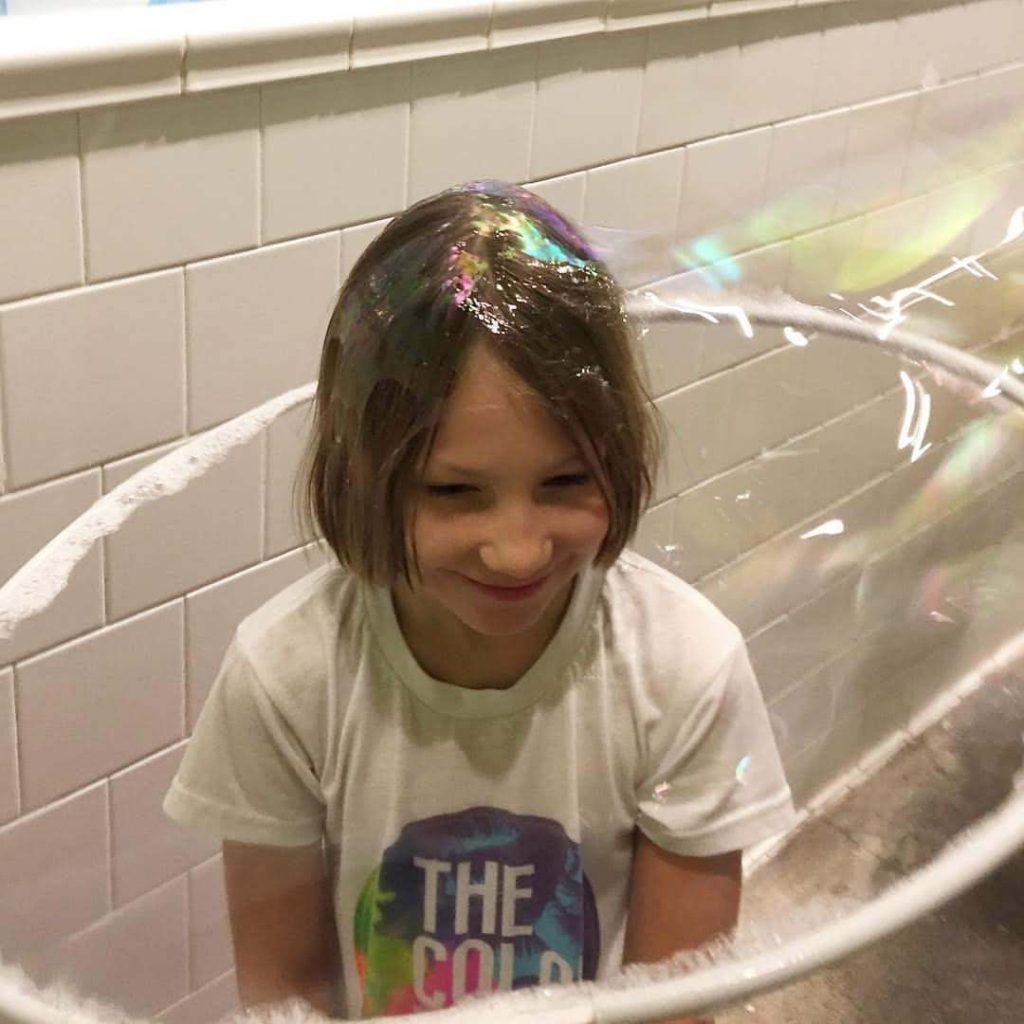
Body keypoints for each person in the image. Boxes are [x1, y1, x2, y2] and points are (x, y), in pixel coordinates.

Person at [163, 181, 797, 1022]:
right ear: (366, 476)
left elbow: (678, 1003)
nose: (517, 549)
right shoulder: (286, 676)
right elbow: (284, 997)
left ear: (618, 454)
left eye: (567, 480)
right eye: (454, 491)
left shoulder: (685, 668)